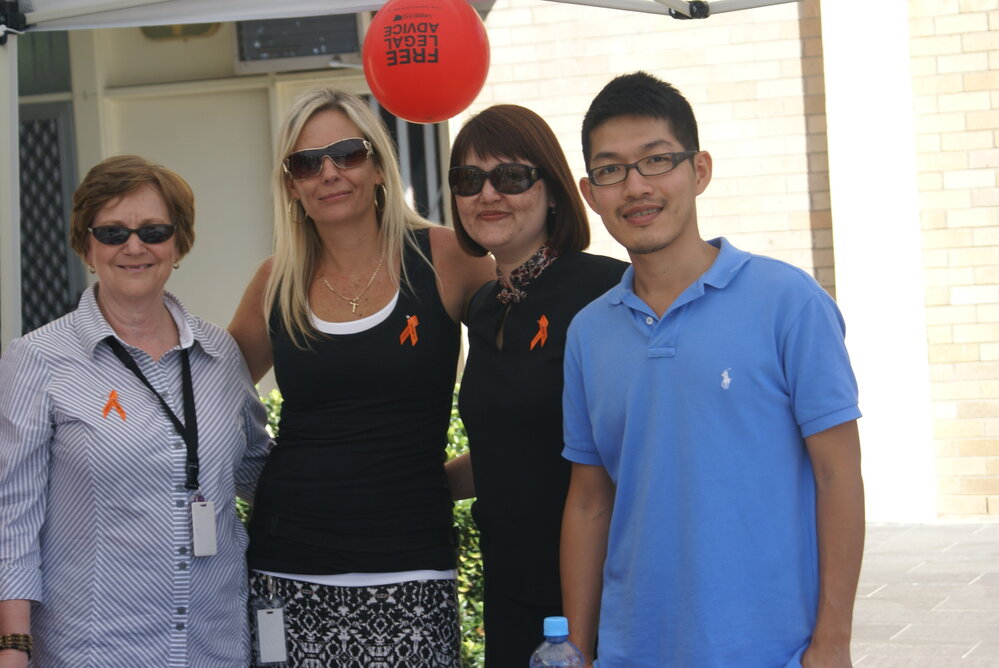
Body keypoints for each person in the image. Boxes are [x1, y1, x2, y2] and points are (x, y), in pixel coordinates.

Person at [560, 72, 865, 668]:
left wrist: (833, 641)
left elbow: (839, 476)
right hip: (634, 651)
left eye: (656, 160)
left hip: (773, 649)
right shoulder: (588, 333)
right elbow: (590, 502)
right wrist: (576, 648)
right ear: (590, 193)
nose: (636, 186)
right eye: (611, 170)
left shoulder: (789, 302)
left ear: (699, 170)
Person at [228, 88, 493, 667]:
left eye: (347, 153)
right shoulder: (275, 281)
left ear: (377, 166)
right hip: (286, 564)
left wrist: (444, 481)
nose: (329, 172)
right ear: (291, 185)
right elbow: (207, 399)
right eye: (306, 162)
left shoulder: (449, 258)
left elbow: (527, 386)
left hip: (413, 563)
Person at [0, 155, 272, 667]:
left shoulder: (221, 355)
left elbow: (260, 475)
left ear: (178, 243)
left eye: (153, 230)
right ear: (86, 245)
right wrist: (13, 650)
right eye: (111, 232)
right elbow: (13, 524)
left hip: (214, 651)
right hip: (95, 653)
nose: (133, 246)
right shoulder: (37, 359)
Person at [444, 104, 626, 666]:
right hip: (509, 588)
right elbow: (511, 446)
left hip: (596, 592)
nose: (488, 194)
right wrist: (406, 491)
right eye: (469, 179)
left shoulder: (608, 290)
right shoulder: (484, 305)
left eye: (511, 176)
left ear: (552, 191)